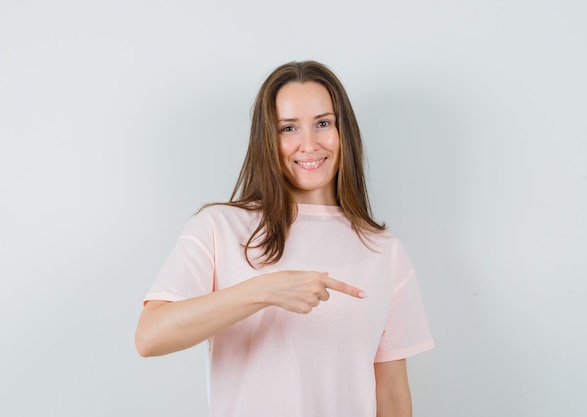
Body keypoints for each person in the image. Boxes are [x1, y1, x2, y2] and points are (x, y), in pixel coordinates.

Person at [135, 60, 434, 417]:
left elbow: (392, 395)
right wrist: (264, 290)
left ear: (344, 133)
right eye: (289, 128)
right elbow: (150, 337)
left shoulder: (384, 250)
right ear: (268, 140)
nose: (308, 144)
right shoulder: (220, 227)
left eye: (323, 124)